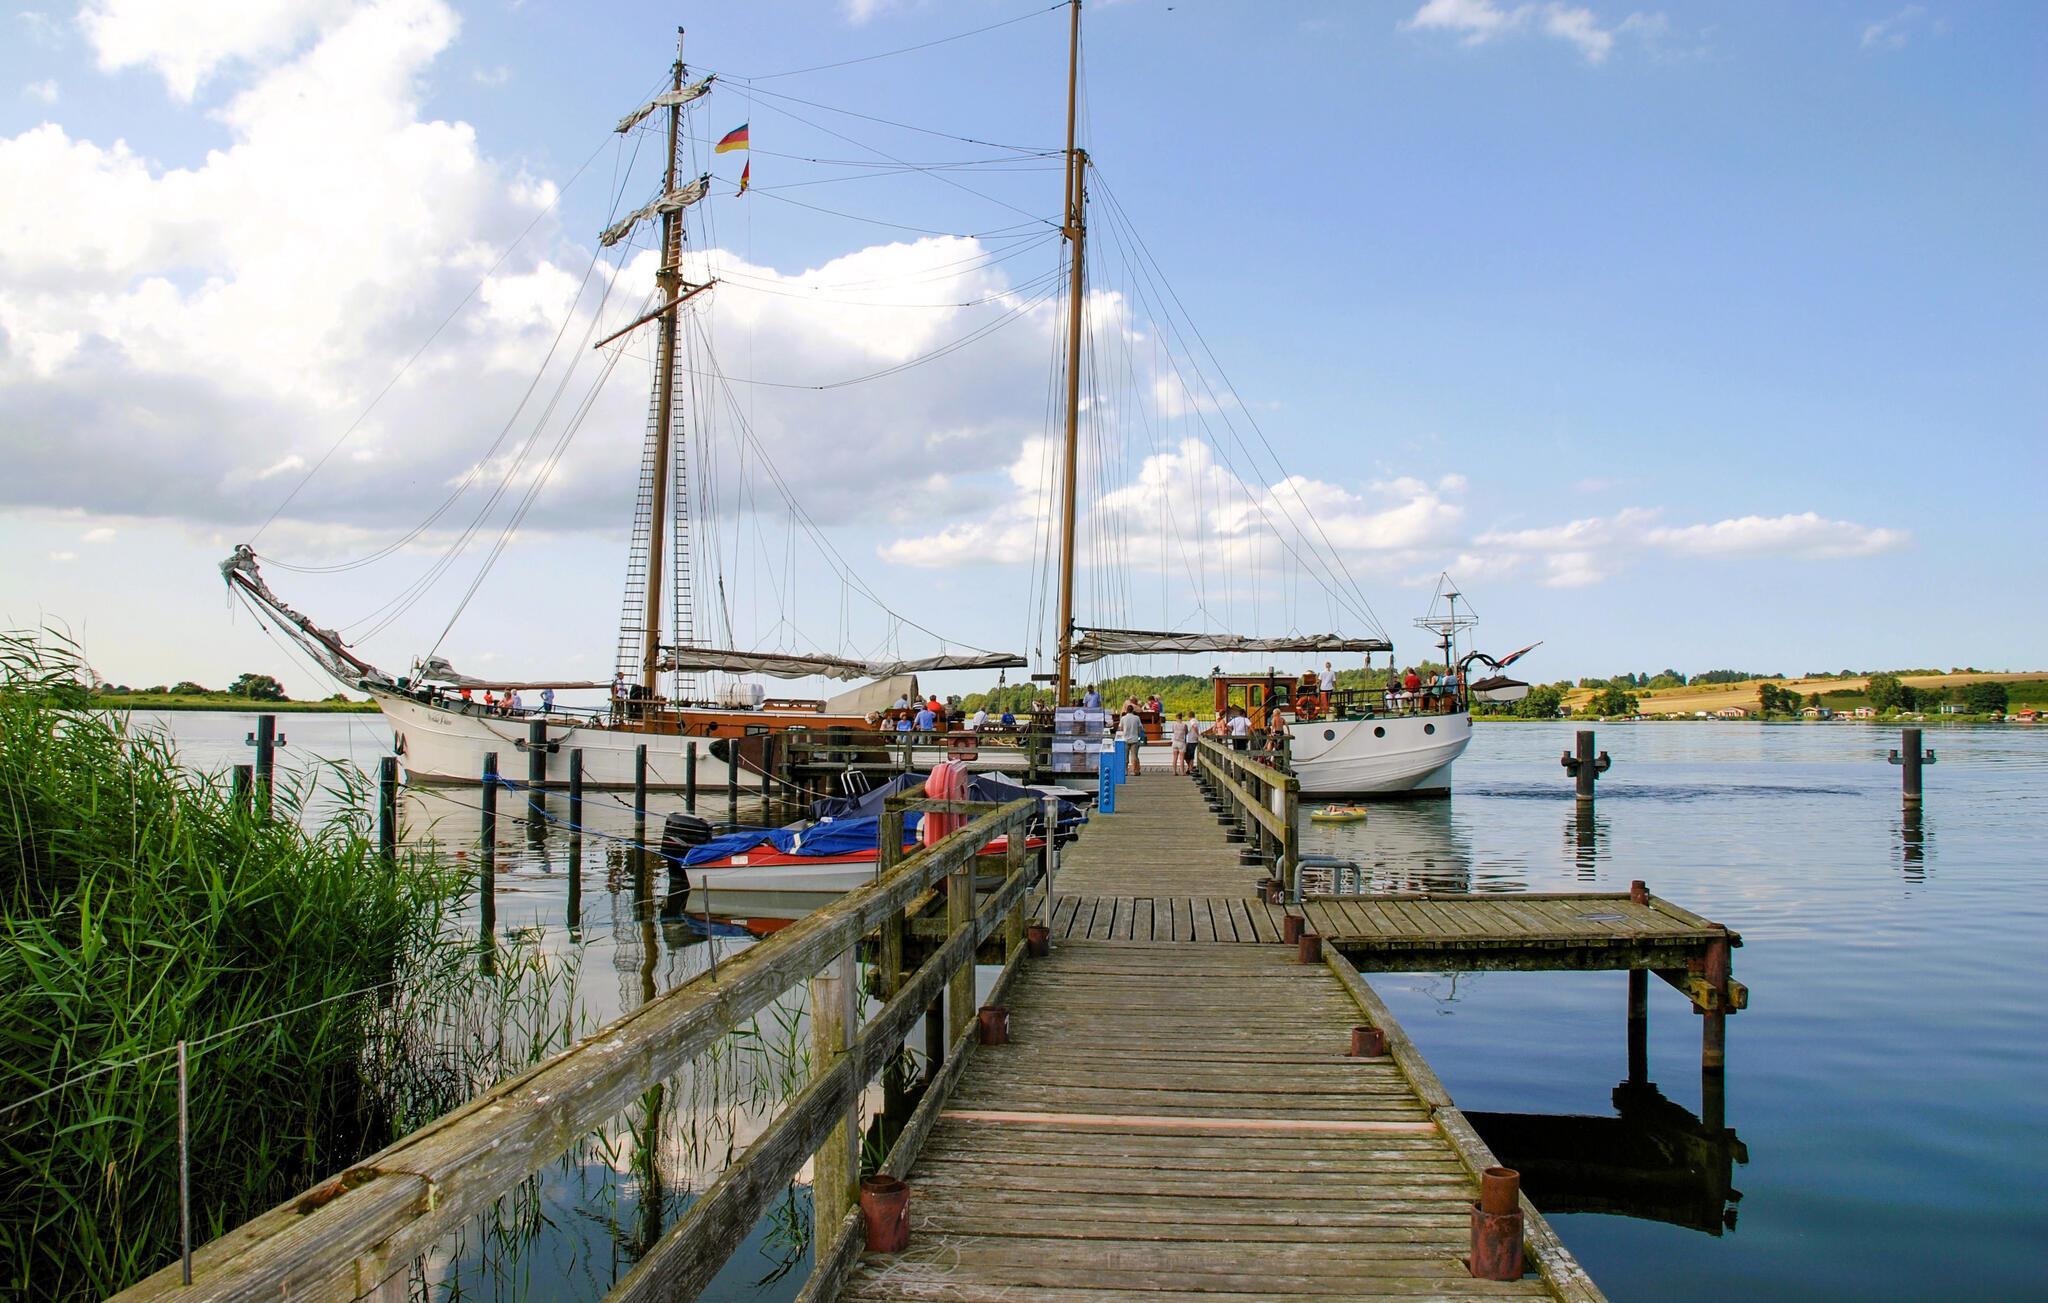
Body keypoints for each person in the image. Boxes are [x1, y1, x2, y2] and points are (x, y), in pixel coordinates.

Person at [1119, 702, 1145, 775]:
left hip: (1125, 739)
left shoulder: (1123, 718)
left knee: (1125, 756)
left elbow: (1120, 728)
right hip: (1134, 739)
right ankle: (1135, 771)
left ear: (1126, 711)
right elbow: (1140, 728)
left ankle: (1125, 771)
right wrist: (1138, 734)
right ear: (1133, 710)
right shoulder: (1137, 718)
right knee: (1134, 756)